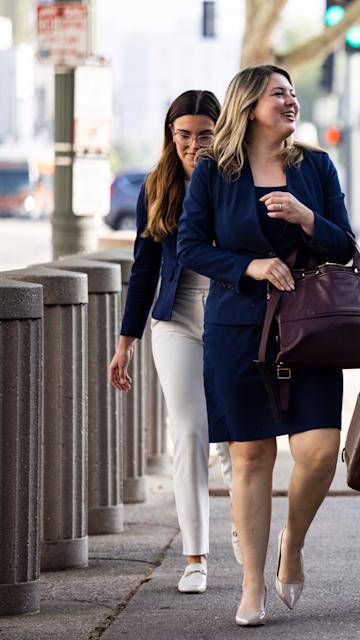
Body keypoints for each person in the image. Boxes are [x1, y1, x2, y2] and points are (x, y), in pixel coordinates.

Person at [177, 65, 354, 626]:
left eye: (293, 93)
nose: (291, 101)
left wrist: (307, 219)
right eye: (279, 93)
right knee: (251, 456)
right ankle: (252, 583)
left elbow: (346, 246)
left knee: (320, 450)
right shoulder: (215, 171)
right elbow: (189, 247)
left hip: (310, 327)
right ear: (250, 105)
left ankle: (292, 542)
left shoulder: (316, 166)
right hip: (238, 329)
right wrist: (248, 265)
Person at [108, 90, 236, 595]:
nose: (193, 145)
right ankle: (195, 556)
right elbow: (144, 269)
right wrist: (126, 342)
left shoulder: (236, 178)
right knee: (189, 433)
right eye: (183, 135)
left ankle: (245, 532)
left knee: (235, 438)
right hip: (176, 320)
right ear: (171, 135)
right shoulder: (157, 185)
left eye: (204, 135)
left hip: (231, 318)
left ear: (220, 134)